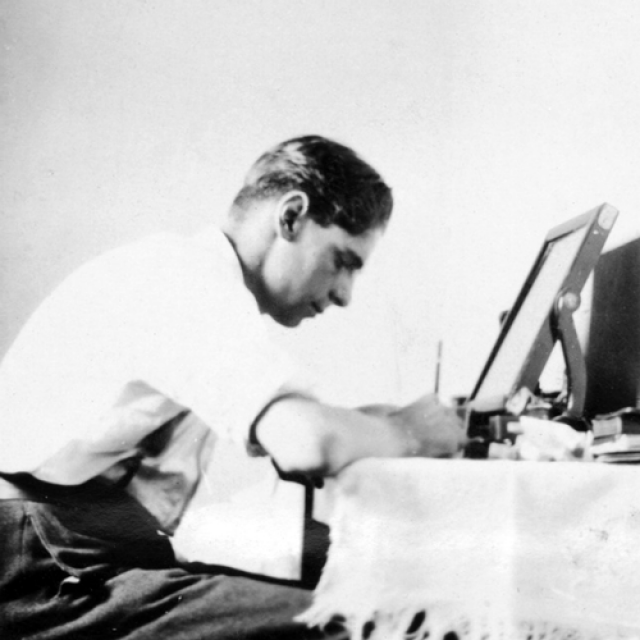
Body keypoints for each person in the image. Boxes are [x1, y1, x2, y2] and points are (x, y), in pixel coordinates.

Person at [0, 135, 466, 639]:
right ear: (291, 216)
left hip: (78, 544)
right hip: (43, 566)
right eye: (344, 261)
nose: (345, 295)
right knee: (381, 624)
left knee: (350, 588)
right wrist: (410, 432)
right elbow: (306, 444)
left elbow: (296, 432)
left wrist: (374, 425)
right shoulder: (184, 283)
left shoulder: (188, 275)